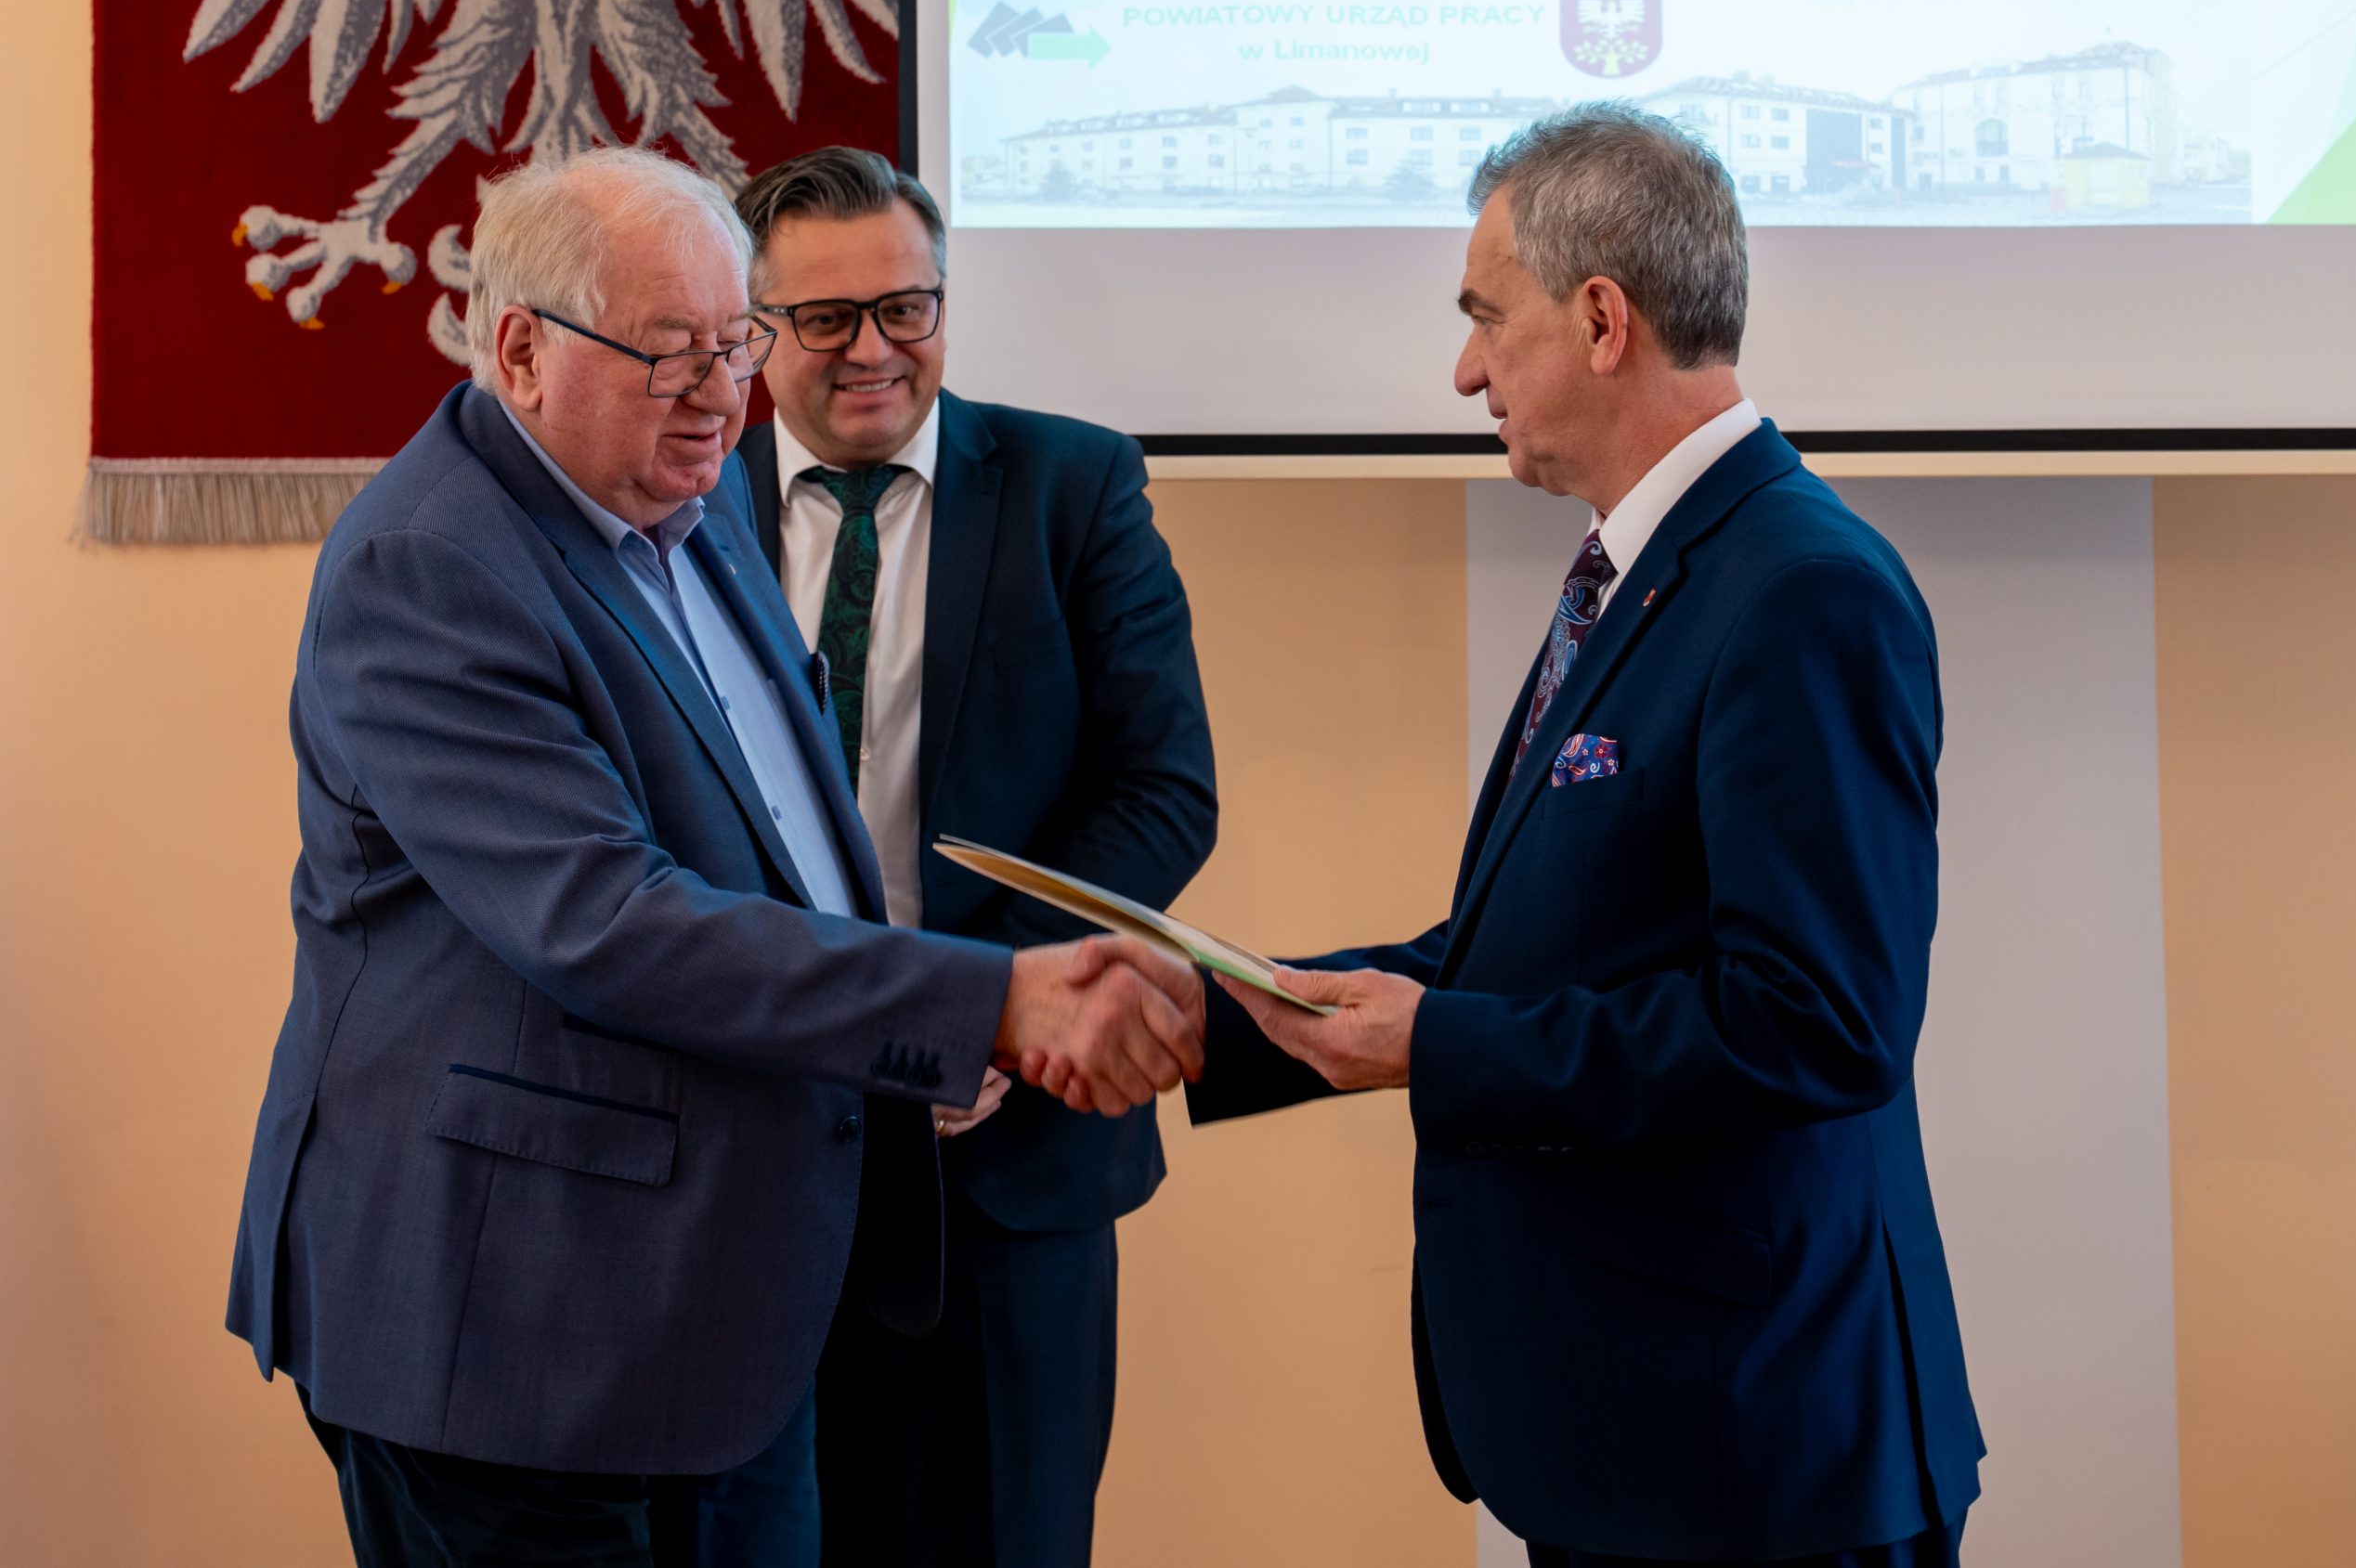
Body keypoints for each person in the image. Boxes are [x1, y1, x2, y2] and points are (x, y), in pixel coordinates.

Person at [224, 145, 1204, 1568]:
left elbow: (782, 848)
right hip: (516, 1329)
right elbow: (607, 921)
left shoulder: (690, 500)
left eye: (735, 343)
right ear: (521, 352)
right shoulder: (430, 565)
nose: (721, 393)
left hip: (724, 1313)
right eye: (669, 352)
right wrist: (980, 1004)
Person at [1118, 104, 1985, 1566]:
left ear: (1599, 320)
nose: (1464, 371)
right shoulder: (1643, 568)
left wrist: (1438, 1044)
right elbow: (1552, 943)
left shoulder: (1800, 589)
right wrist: (1223, 1015)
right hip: (1642, 1432)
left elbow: (1818, 1025)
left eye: (1484, 317)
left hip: (1751, 1449)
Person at [722, 146, 1217, 1568]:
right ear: (752, 330)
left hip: (1012, 1156)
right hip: (755, 1147)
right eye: (828, 318)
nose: (875, 350)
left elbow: (1163, 792)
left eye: (908, 307)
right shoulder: (684, 507)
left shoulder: (1074, 485)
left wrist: (976, 1008)